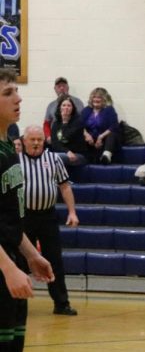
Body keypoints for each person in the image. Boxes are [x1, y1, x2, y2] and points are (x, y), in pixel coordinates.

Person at [0, 70, 56, 352]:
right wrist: (7, 268)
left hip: (11, 260)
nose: (17, 99)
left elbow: (7, 217)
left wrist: (28, 255)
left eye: (16, 91)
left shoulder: (9, 147)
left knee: (11, 351)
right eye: (7, 93)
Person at [19, 124, 79, 316]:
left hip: (47, 216)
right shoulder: (15, 161)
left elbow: (65, 187)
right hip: (23, 217)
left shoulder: (53, 159)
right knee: (19, 260)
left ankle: (61, 303)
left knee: (54, 260)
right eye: (32, 140)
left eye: (39, 140)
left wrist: (72, 212)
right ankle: (15, 301)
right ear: (24, 141)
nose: (36, 143)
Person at [79, 87, 121, 164]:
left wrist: (100, 137)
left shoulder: (109, 109)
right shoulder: (86, 110)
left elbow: (114, 126)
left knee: (112, 134)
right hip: (90, 141)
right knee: (79, 134)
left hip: (105, 140)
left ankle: (106, 156)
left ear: (104, 99)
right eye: (94, 97)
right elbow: (80, 125)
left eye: (99, 97)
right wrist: (87, 135)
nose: (96, 99)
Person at [48, 95, 89, 166]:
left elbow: (66, 137)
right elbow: (55, 144)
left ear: (72, 109)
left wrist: (65, 122)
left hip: (78, 154)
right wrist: (67, 151)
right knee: (50, 157)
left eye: (69, 106)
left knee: (56, 158)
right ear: (59, 108)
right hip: (65, 153)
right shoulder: (56, 124)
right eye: (63, 105)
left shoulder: (78, 122)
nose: (66, 108)